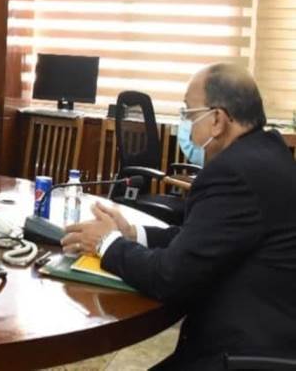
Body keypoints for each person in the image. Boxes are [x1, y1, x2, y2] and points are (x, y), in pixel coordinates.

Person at [61, 63, 296, 369]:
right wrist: (133, 234)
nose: (185, 124)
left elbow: (169, 277)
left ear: (217, 120)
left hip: (240, 356)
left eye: (188, 113)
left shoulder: (234, 173)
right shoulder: (266, 153)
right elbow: (201, 238)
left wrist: (106, 243)